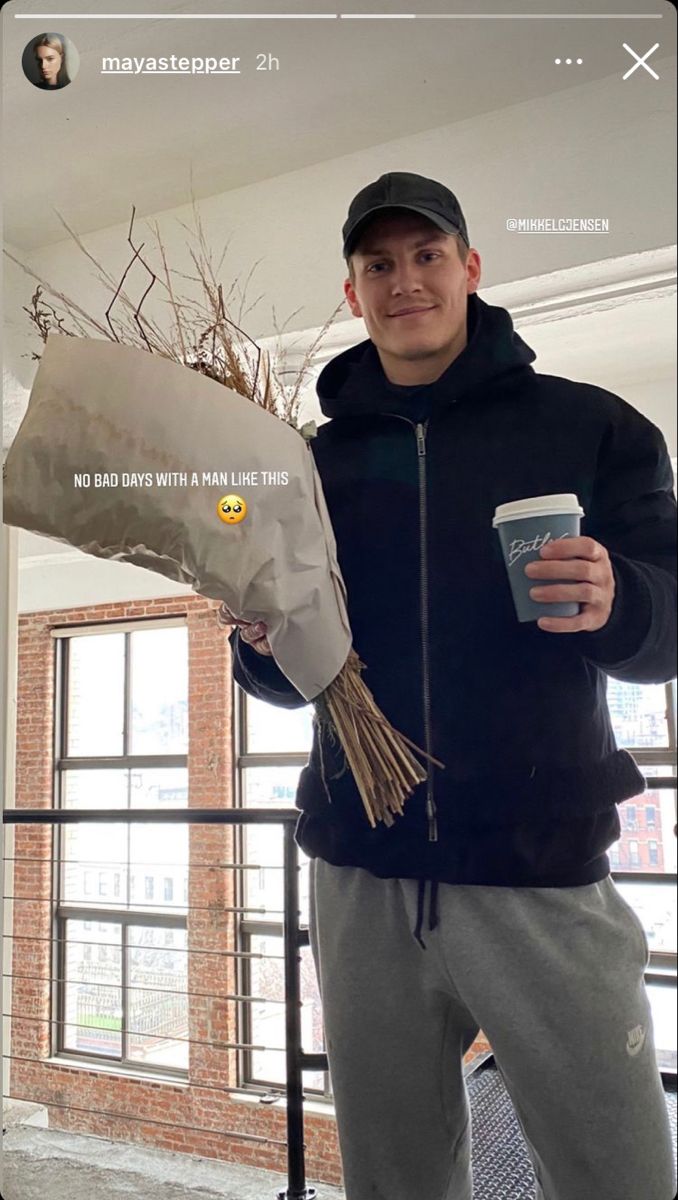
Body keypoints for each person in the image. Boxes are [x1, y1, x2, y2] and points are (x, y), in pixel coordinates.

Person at [216, 172, 677, 1200]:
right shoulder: (305, 465)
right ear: (353, 293)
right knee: (392, 1182)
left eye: (427, 256)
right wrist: (255, 640)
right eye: (379, 264)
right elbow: (288, 679)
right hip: (360, 871)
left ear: (470, 269)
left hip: (538, 869)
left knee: (621, 1174)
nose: (404, 280)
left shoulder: (595, 429)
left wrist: (622, 594)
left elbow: (669, 626)